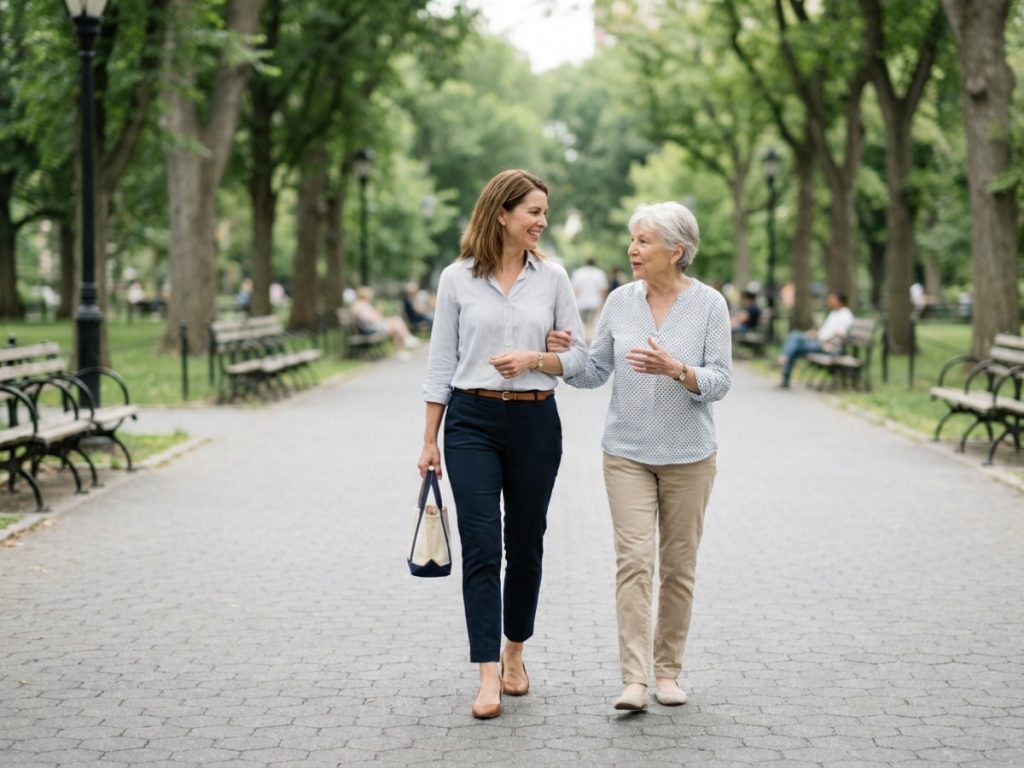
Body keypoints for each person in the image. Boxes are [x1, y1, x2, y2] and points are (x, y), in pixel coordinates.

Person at [546, 201, 732, 712]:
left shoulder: (710, 305)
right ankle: (634, 678)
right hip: (626, 452)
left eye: (644, 240)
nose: (632, 249)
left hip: (689, 455)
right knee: (633, 564)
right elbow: (594, 371)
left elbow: (720, 380)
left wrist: (677, 370)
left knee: (677, 568)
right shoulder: (620, 301)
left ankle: (668, 671)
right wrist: (563, 354)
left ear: (677, 251)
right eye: (633, 239)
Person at [418, 169, 587, 720]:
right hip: (471, 422)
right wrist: (428, 439)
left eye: (544, 212)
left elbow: (581, 361)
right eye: (534, 211)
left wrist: (541, 358)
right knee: (483, 545)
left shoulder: (555, 278)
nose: (542, 221)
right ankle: (487, 671)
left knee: (527, 543)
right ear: (502, 215)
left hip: (536, 423)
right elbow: (441, 361)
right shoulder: (456, 279)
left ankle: (516, 651)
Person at [777, 291, 854, 388]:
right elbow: (825, 332)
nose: (829, 301)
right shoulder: (834, 313)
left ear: (840, 301)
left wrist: (827, 341)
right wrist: (815, 334)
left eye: (832, 299)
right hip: (819, 342)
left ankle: (784, 360)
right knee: (794, 338)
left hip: (828, 347)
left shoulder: (845, 315)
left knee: (795, 341)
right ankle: (785, 369)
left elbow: (840, 334)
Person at [351, 286, 419, 351]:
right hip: (369, 329)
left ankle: (405, 342)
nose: (371, 297)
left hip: (374, 326)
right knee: (396, 324)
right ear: (365, 295)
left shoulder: (364, 304)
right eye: (370, 295)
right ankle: (407, 338)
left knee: (396, 321)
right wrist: (379, 312)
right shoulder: (359, 306)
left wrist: (380, 313)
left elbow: (375, 317)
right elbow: (370, 318)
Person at [571, 258, 609, 340]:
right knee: (591, 322)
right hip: (594, 302)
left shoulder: (578, 273)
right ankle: (589, 338)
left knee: (582, 322)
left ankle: (583, 338)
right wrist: (603, 302)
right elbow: (603, 289)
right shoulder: (599, 273)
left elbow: (575, 289)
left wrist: (573, 302)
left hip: (581, 302)